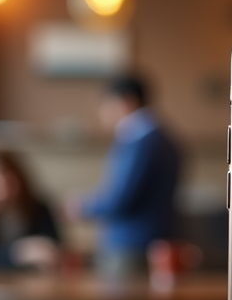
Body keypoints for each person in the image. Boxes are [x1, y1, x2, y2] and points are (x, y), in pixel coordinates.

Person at [66, 75, 180, 278]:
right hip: (154, 241)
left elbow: (119, 199)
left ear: (125, 101)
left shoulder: (140, 141)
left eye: (106, 106)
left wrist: (82, 206)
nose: (103, 114)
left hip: (130, 248)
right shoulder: (164, 138)